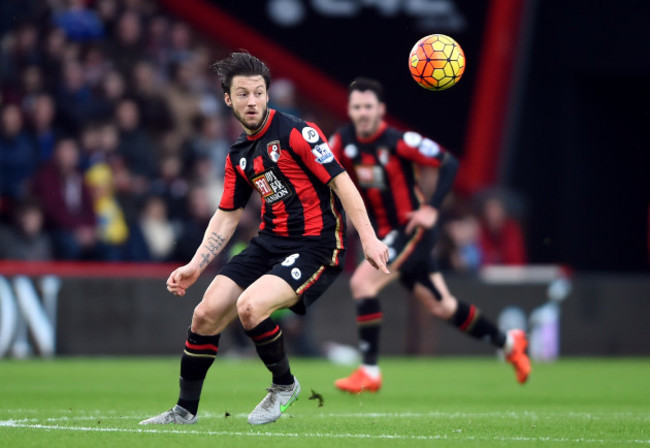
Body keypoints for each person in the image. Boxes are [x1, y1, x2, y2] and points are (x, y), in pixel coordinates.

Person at [139, 53, 389, 426]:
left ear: (268, 95)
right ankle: (183, 412)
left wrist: (369, 239)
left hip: (317, 244)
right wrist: (195, 265)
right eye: (243, 94)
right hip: (269, 242)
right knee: (205, 315)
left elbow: (342, 182)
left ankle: (284, 386)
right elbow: (227, 215)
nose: (252, 101)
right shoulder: (239, 154)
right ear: (228, 99)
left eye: (258, 92)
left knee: (251, 307)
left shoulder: (297, 132)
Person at [329, 78, 531, 393]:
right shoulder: (343, 141)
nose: (363, 113)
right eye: (357, 107)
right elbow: (323, 171)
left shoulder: (399, 141)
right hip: (387, 235)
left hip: (412, 230)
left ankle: (369, 370)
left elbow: (448, 162)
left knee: (362, 283)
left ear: (381, 110)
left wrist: (432, 208)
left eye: (369, 106)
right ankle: (509, 343)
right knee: (443, 307)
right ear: (350, 110)